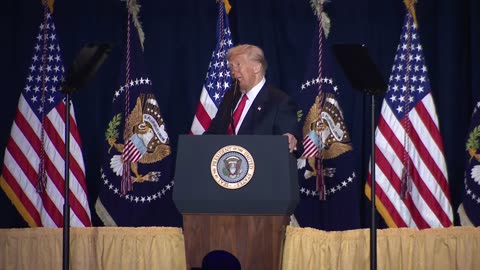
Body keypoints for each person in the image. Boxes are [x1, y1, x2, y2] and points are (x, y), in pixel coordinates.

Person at [205, 44, 301, 154]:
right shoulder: (230, 96)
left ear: (256, 67)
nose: (232, 71)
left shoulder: (279, 101)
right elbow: (213, 133)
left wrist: (293, 142)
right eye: (231, 66)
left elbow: (293, 144)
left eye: (238, 65)